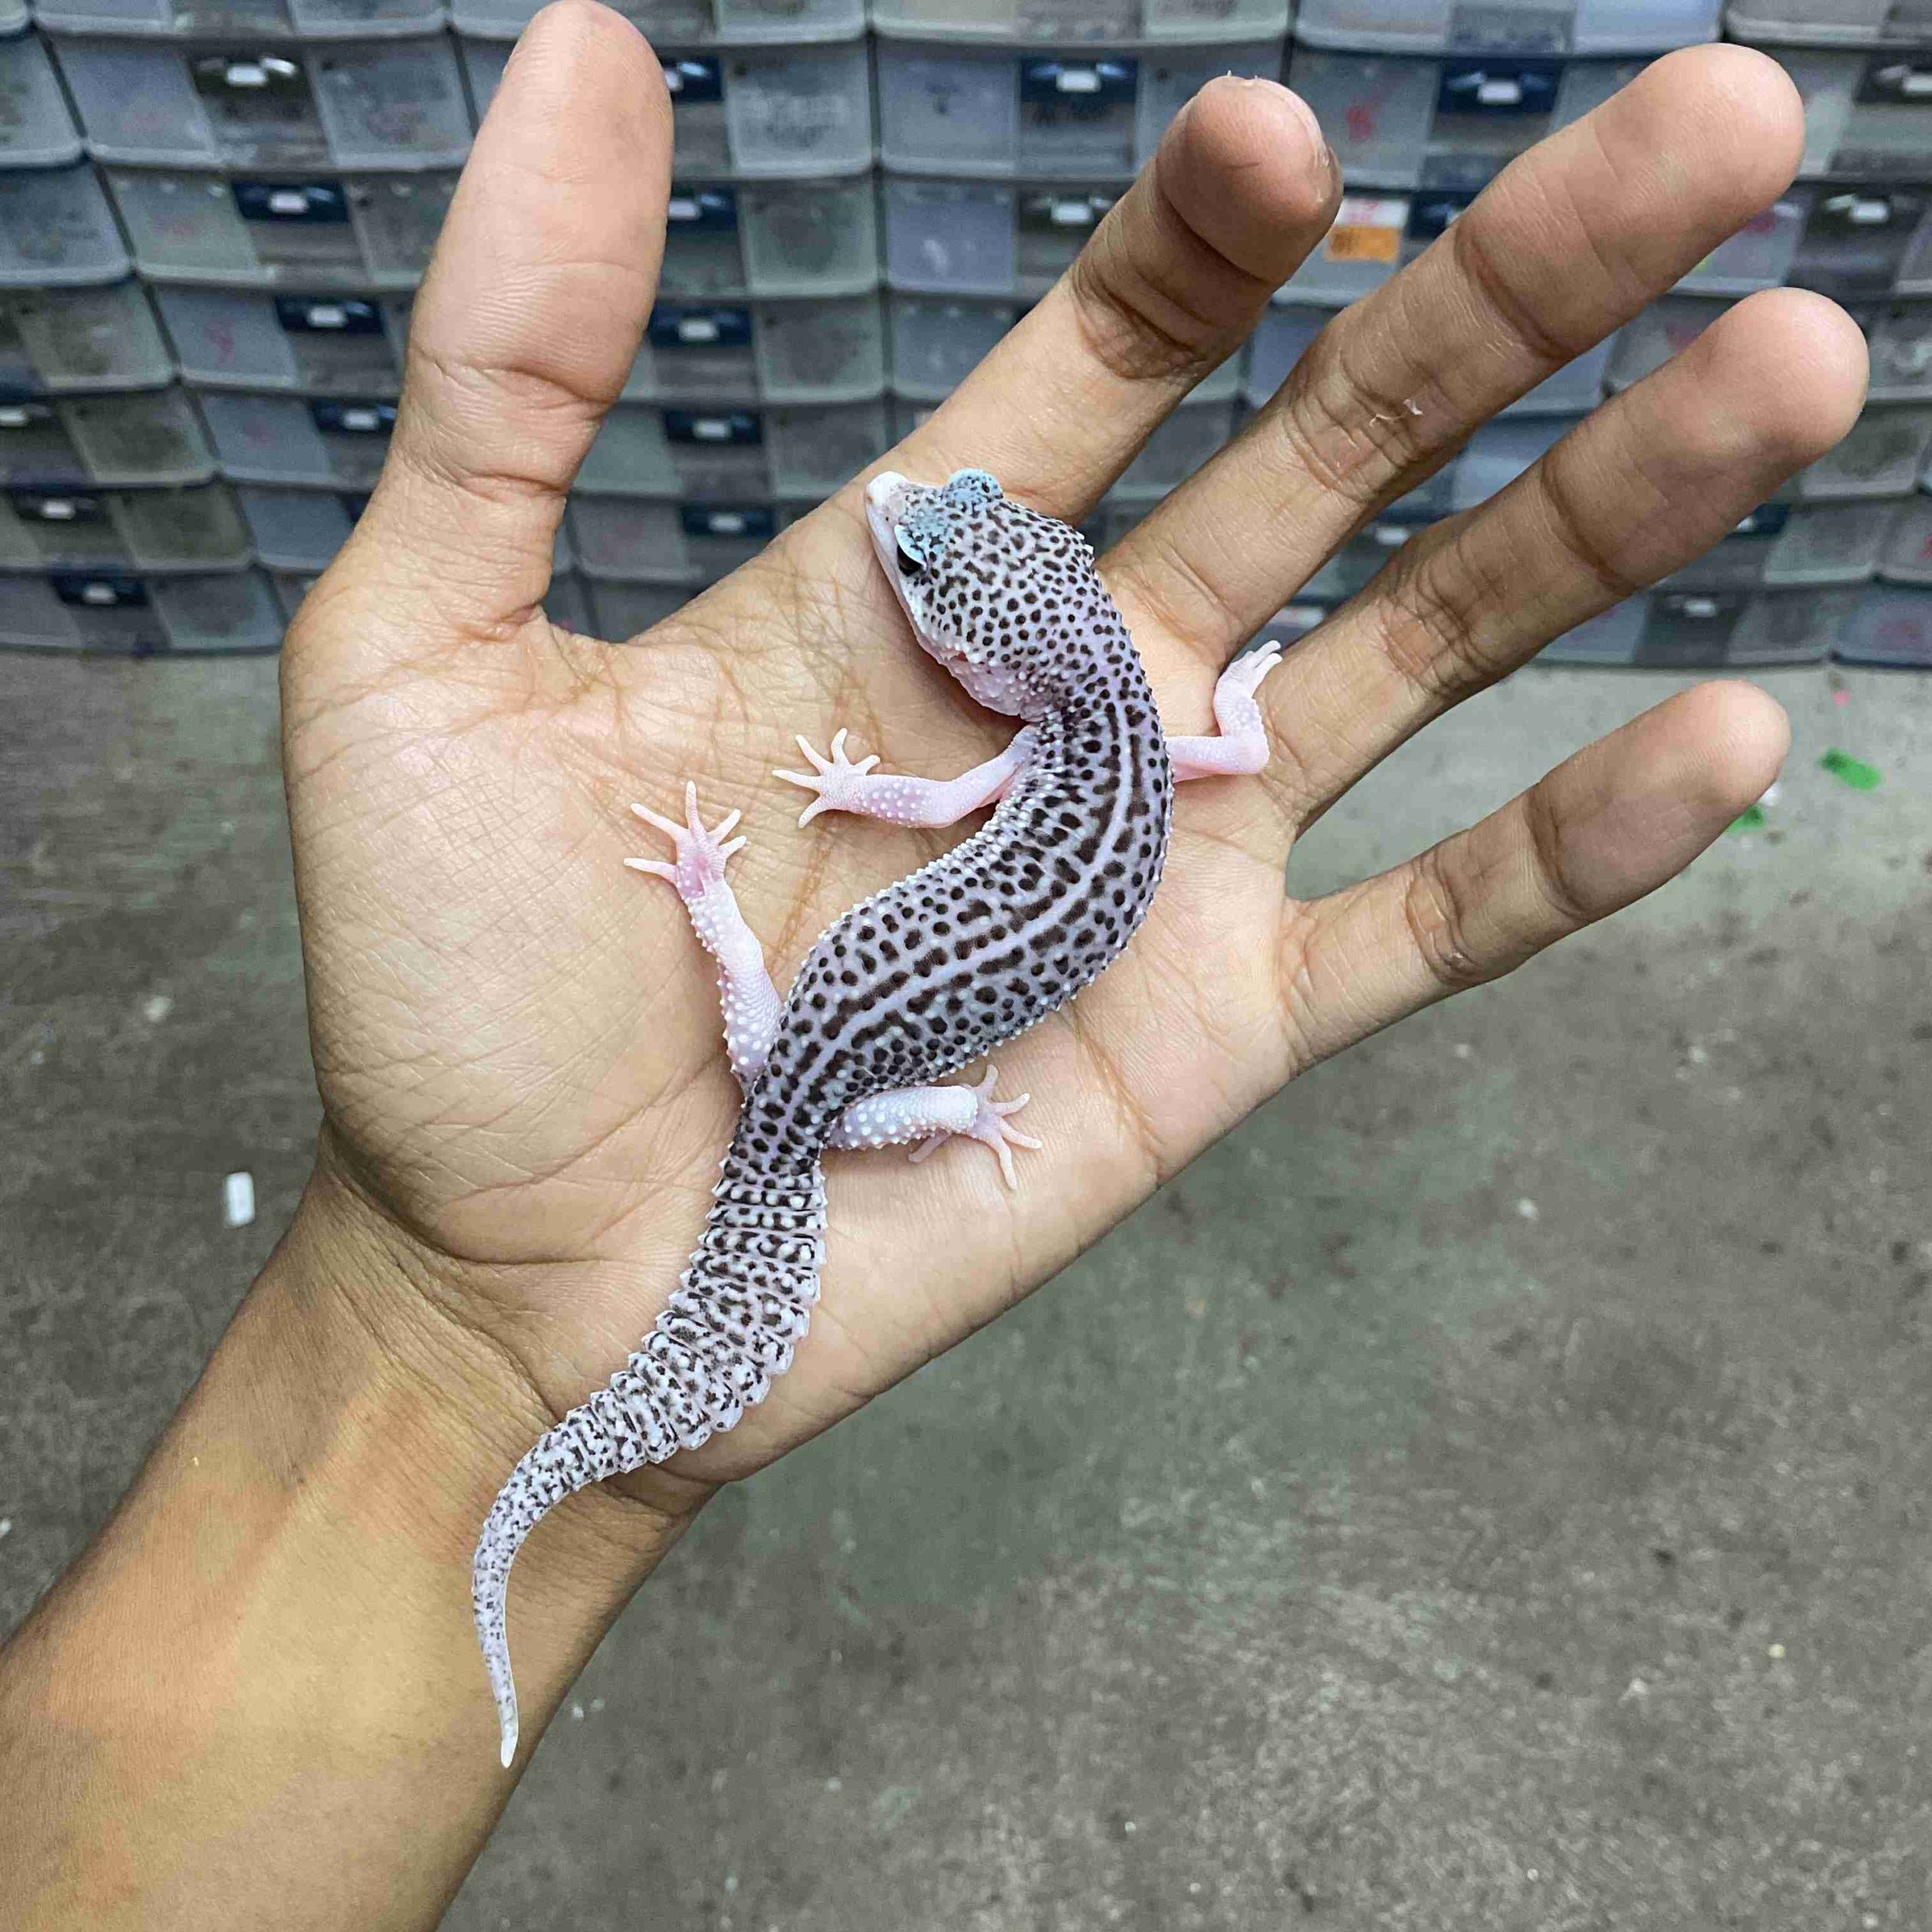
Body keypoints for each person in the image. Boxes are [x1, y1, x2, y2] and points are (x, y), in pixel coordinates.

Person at [0, 8, 1866, 1925]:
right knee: (801, 1078)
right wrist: (979, 1074)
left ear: (995, 654)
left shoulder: (1027, 752)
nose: (900, 535)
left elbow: (922, 798)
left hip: (824, 1061)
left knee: (780, 1055)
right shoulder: (1124, 735)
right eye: (930, 551)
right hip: (849, 1074)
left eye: (928, 573)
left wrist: (808, 866)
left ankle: (553, 1459)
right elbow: (1206, 750)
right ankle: (569, 1446)